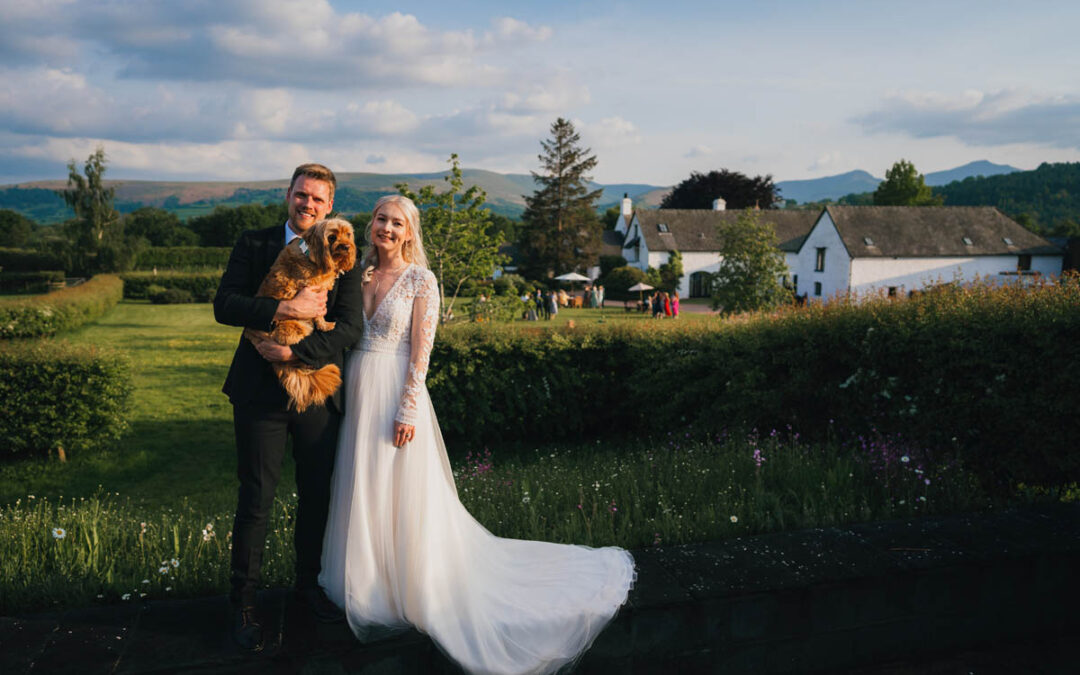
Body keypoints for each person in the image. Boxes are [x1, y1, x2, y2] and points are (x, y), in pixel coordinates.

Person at [320, 196, 634, 674]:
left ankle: (410, 581)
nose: (386, 227)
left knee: (400, 489)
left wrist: (408, 406)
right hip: (356, 390)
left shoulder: (421, 280)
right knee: (362, 484)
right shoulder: (353, 275)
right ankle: (366, 579)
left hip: (395, 395)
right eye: (381, 218)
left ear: (410, 233)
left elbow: (421, 352)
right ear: (371, 226)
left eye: (396, 222)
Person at [213, 163, 363, 651]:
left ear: (330, 206)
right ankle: (244, 604)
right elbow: (225, 305)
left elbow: (348, 327)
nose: (309, 205)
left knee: (316, 496)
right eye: (302, 196)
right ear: (288, 195)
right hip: (259, 395)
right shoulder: (254, 244)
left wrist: (295, 353)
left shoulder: (344, 254)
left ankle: (307, 589)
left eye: (319, 200)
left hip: (316, 395)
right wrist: (284, 309)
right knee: (256, 500)